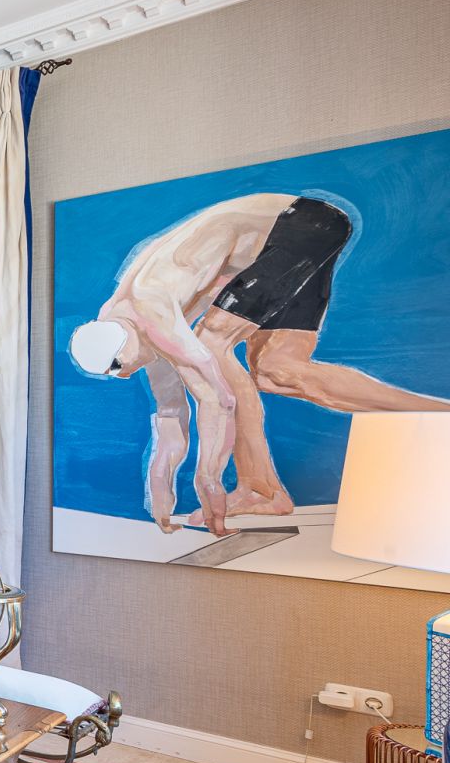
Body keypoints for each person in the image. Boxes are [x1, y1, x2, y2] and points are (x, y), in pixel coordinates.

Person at [69, 191, 450, 536]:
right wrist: (160, 487)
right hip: (312, 229)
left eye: (122, 368)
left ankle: (256, 487)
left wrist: (208, 478)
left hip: (294, 227)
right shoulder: (132, 329)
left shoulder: (151, 313)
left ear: (124, 347)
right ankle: (439, 413)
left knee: (212, 342)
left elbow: (218, 399)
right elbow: (170, 414)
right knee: (279, 371)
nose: (128, 375)